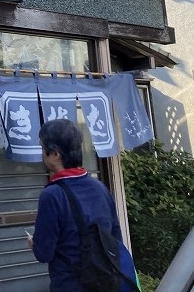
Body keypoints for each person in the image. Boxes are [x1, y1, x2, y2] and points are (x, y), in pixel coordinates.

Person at [29, 118, 128, 291]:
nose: (42, 153)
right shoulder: (100, 187)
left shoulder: (52, 195)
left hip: (70, 284)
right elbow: (115, 238)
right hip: (106, 282)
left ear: (56, 154)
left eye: (43, 148)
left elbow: (44, 254)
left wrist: (34, 243)